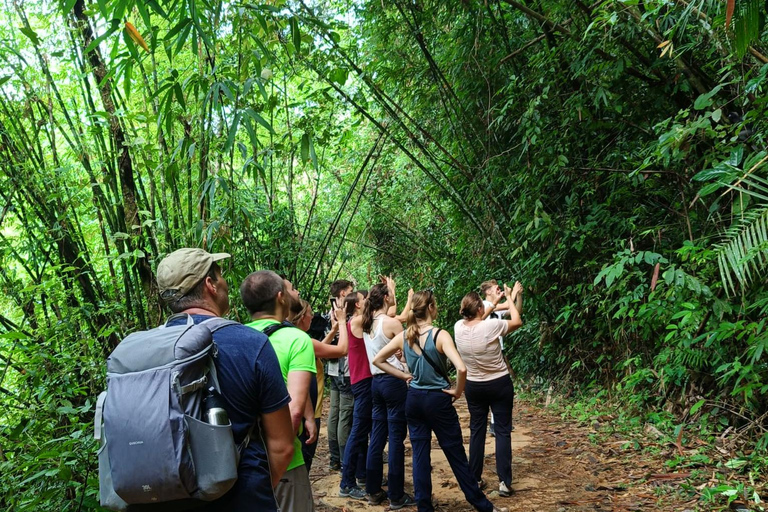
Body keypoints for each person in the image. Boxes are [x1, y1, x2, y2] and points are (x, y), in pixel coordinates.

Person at [156, 248, 294, 511]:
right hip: (242, 498)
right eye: (219, 276)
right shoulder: (251, 343)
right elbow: (282, 446)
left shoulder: (143, 349)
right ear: (210, 285)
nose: (224, 283)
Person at [372, 290, 507, 512]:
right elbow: (461, 368)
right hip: (438, 400)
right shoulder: (440, 335)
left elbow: (378, 360)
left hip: (413, 400)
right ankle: (482, 505)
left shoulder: (404, 336)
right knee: (455, 455)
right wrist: (457, 391)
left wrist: (405, 375)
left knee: (420, 456)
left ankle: (424, 507)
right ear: (431, 308)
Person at [240, 270, 317, 512]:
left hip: (243, 460)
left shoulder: (236, 337)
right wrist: (275, 470)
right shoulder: (296, 339)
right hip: (284, 462)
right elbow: (292, 412)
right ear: (280, 297)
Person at [454, 283, 523, 498]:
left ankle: (474, 478)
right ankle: (504, 481)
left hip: (474, 385)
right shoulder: (490, 327)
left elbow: (476, 323)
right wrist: (510, 297)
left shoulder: (457, 327)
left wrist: (491, 305)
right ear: (480, 310)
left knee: (477, 431)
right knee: (502, 431)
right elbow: (517, 321)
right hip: (499, 383)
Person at [362, 282, 415, 509]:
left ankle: (373, 489)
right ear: (385, 298)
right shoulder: (391, 323)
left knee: (377, 437)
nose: (394, 295)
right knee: (395, 439)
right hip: (394, 383)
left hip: (376, 383)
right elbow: (409, 351)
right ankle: (396, 494)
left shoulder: (367, 323)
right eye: (392, 293)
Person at [289, 299, 350, 471]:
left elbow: (319, 348)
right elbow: (342, 349)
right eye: (310, 313)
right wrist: (343, 322)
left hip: (296, 409)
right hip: (307, 410)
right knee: (303, 462)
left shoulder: (292, 338)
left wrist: (333, 330)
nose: (313, 316)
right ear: (302, 318)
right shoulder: (303, 341)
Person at [338, 291, 372, 500]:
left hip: (359, 380)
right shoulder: (358, 321)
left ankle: (361, 474)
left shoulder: (353, 321)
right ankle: (346, 483)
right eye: (365, 299)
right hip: (363, 381)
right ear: (358, 305)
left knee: (361, 431)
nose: (368, 301)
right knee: (358, 431)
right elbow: (392, 316)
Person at [479, 279, 522, 435]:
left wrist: (518, 297)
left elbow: (515, 312)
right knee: (496, 386)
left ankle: (496, 422)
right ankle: (495, 422)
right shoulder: (483, 305)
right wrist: (512, 294)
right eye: (496, 288)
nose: (499, 290)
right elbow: (502, 305)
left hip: (498, 349)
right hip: (487, 351)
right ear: (488, 291)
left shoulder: (496, 308)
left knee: (499, 385)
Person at [325, 280, 355, 471]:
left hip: (333, 370)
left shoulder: (329, 313)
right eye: (350, 292)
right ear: (343, 293)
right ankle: (346, 461)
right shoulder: (344, 315)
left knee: (335, 413)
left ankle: (335, 458)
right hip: (345, 371)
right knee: (344, 415)